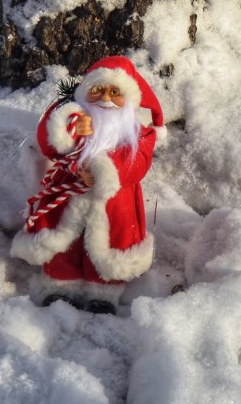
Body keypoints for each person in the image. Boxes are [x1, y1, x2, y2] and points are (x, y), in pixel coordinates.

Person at [11, 56, 165, 314]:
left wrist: (102, 172)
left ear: (128, 100)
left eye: (115, 92)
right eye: (98, 90)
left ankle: (103, 292)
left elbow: (137, 164)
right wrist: (69, 126)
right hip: (69, 196)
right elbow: (50, 145)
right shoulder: (77, 119)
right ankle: (60, 286)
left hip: (115, 203)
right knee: (64, 243)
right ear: (85, 92)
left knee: (110, 245)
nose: (105, 98)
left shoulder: (138, 134)